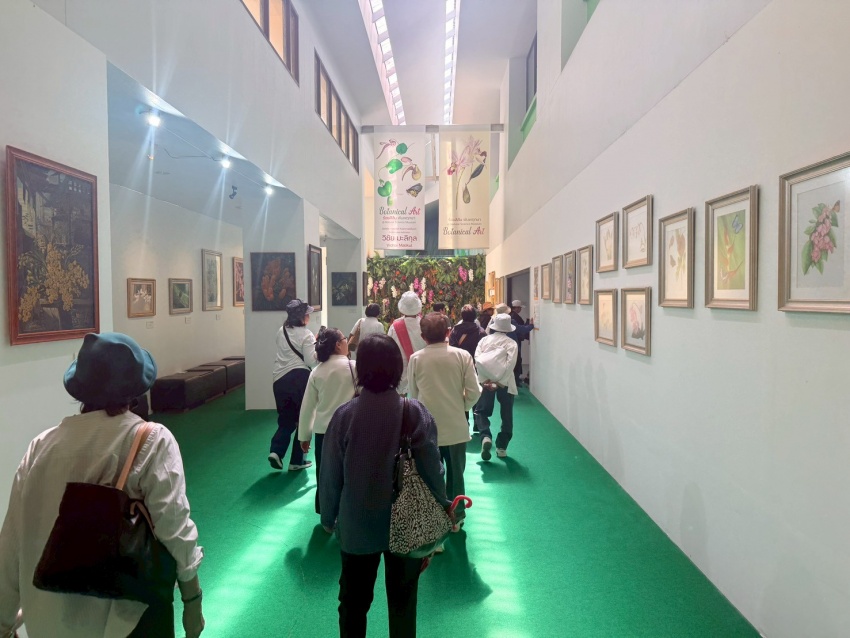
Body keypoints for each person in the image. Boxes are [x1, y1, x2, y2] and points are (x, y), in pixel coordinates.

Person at [0, 332, 205, 638]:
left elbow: (12, 542)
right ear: (136, 390)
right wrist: (192, 600)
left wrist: (4, 621)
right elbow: (173, 527)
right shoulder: (152, 440)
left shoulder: (40, 447)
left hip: (48, 621)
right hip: (128, 618)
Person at [320, 334, 449, 638]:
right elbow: (433, 470)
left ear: (360, 369)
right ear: (397, 368)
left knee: (353, 604)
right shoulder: (415, 412)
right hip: (406, 524)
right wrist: (443, 509)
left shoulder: (344, 416)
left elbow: (330, 474)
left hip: (356, 525)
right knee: (403, 605)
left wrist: (328, 517)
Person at [408, 313, 481, 530]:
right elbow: (474, 391)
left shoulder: (416, 358)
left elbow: (413, 396)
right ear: (449, 332)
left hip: (426, 429)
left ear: (422, 336)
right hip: (456, 427)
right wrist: (462, 407)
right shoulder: (462, 356)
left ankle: (434, 520)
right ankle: (456, 517)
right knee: (456, 475)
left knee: (430, 475)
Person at [298, 327, 358, 515]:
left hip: (324, 432)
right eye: (344, 338)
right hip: (351, 429)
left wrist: (304, 436)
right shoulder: (354, 367)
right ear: (338, 345)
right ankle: (349, 512)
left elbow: (308, 407)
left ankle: (326, 512)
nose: (347, 341)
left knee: (325, 473)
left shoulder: (316, 372)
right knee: (350, 471)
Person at [270, 298, 318, 471]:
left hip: (279, 379)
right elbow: (310, 361)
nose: (309, 317)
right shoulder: (307, 334)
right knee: (304, 419)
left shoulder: (281, 330)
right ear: (301, 317)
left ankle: (276, 451)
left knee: (286, 419)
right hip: (299, 379)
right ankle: (297, 461)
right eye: (307, 314)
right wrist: (317, 349)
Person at [474, 314, 520, 461]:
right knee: (506, 414)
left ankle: (485, 436)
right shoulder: (511, 343)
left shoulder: (484, 341)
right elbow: (511, 364)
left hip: (486, 382)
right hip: (505, 383)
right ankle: (502, 447)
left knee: (481, 411)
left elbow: (477, 360)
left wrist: (486, 380)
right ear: (508, 328)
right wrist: (500, 382)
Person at [387, 291, 426, 395]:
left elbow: (388, 347)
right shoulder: (424, 324)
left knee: (402, 399)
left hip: (402, 369)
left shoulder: (395, 326)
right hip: (421, 369)